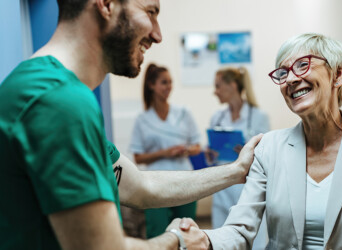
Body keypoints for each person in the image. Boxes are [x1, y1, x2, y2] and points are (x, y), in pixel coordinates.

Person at [0, 0, 262, 249]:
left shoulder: (44, 86)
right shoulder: (59, 100)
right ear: (106, 4)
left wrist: (237, 170)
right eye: (150, 12)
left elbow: (141, 186)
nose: (158, 35)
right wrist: (178, 241)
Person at [179, 33, 342, 249]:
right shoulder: (269, 149)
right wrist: (205, 240)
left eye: (303, 65)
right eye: (283, 73)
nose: (290, 80)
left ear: (338, 74)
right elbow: (240, 230)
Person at [129, 63, 201, 238]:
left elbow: (197, 147)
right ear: (151, 85)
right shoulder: (142, 119)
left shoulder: (184, 113)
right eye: (164, 82)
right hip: (155, 184)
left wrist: (186, 150)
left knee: (186, 231)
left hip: (185, 181)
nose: (169, 87)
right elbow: (138, 157)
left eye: (170, 82)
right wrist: (164, 153)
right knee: (158, 232)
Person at [209, 67, 270, 249]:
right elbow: (212, 156)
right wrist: (210, 154)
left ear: (232, 85)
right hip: (222, 186)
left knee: (254, 237)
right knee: (220, 237)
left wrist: (245, 150)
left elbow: (267, 154)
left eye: (218, 86)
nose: (215, 91)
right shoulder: (217, 118)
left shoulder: (258, 117)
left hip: (247, 186)